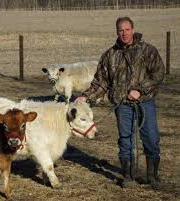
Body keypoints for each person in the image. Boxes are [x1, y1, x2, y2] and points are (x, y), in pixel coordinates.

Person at [78, 16, 165, 188]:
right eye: (120, 30)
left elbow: (158, 74)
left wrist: (139, 89)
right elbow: (100, 82)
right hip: (122, 104)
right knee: (125, 140)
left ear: (133, 30)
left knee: (151, 138)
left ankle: (152, 176)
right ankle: (128, 176)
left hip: (145, 102)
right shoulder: (109, 55)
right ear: (117, 31)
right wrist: (85, 97)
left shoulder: (148, 50)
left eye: (127, 29)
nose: (124, 33)